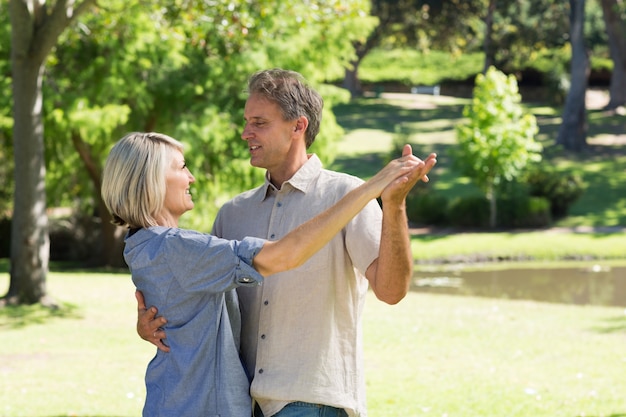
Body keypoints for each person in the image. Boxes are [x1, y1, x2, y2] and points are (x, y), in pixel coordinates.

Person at [137, 69, 438, 417]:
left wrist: (394, 205)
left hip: (313, 403)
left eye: (259, 122)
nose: (245, 132)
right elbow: (206, 303)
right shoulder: (232, 214)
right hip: (239, 404)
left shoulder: (347, 196)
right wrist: (151, 322)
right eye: (247, 121)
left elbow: (391, 290)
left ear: (298, 126)